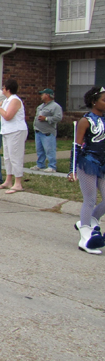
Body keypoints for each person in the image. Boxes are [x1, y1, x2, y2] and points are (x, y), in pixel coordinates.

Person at [68, 86, 105, 253]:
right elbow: (76, 146)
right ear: (94, 102)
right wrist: (72, 170)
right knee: (90, 199)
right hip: (88, 163)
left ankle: (90, 220)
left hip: (103, 164)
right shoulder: (85, 121)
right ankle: (85, 236)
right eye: (104, 100)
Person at [0, 78, 27, 194]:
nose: (2, 89)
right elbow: (0, 117)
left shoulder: (15, 100)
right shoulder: (7, 100)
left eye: (3, 87)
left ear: (7, 89)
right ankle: (8, 180)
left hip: (16, 131)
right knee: (7, 157)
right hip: (7, 131)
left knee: (15, 156)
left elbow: (8, 116)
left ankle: (18, 183)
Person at [34, 87, 63, 173]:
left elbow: (58, 118)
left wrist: (46, 118)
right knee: (39, 150)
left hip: (48, 132)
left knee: (50, 150)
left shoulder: (55, 106)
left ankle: (52, 166)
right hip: (38, 131)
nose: (41, 96)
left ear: (47, 95)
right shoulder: (40, 106)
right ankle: (40, 164)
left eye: (43, 94)